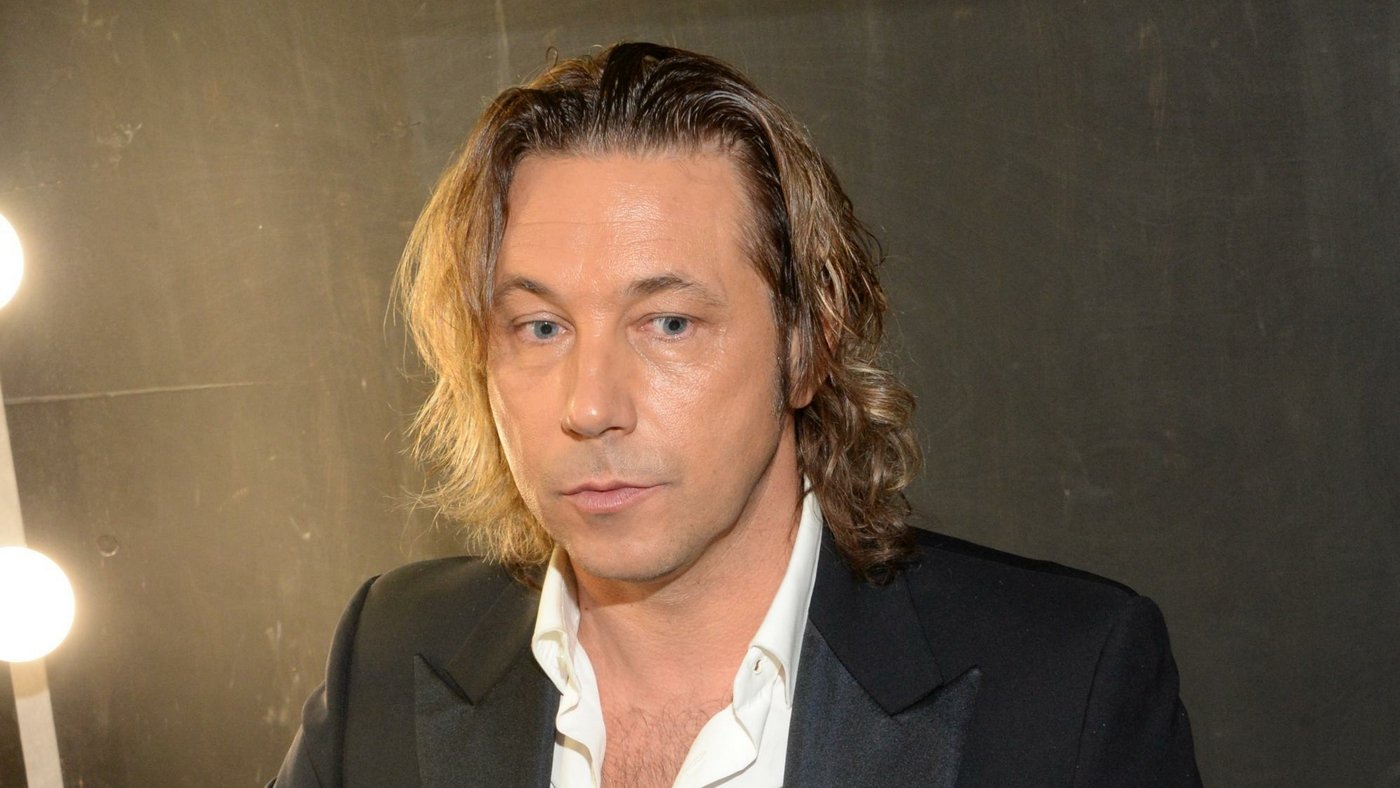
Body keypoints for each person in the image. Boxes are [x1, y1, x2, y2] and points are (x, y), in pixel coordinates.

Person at [271, 42, 1199, 787]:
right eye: (541, 327)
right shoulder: (389, 656)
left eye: (669, 323)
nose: (590, 405)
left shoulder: (1064, 688)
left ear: (807, 343)